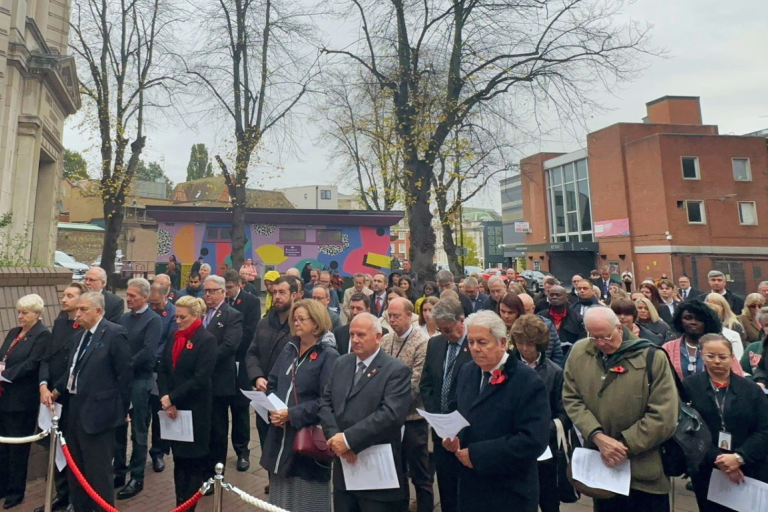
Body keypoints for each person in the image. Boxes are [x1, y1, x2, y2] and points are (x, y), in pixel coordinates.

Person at [563, 307, 678, 512]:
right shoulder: (580, 352)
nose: (601, 343)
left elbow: (664, 415)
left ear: (620, 327)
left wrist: (621, 446)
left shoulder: (652, 357)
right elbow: (572, 399)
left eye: (606, 336)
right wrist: (597, 436)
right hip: (602, 469)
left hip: (644, 472)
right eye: (594, 337)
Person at [442, 311, 550, 512]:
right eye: (471, 342)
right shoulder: (467, 371)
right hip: (471, 488)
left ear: (502, 343)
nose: (475, 349)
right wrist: (452, 435)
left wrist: (477, 454)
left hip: (509, 490)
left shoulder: (527, 380)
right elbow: (458, 409)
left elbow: (533, 440)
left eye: (482, 342)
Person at [318, 313, 412, 512]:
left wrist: (349, 440)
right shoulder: (341, 363)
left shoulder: (396, 370)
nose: (354, 340)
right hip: (344, 468)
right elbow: (325, 403)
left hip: (376, 472)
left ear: (378, 337)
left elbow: (391, 415)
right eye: (352, 334)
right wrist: (337, 439)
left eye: (361, 335)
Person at [51, 292, 132, 512]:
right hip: (75, 411)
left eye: (83, 309)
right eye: (77, 309)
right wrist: (56, 390)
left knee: (98, 474)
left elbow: (124, 377)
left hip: (100, 415)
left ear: (98, 310)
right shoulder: (80, 337)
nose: (78, 314)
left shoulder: (114, 334)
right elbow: (72, 371)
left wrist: (121, 411)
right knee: (77, 471)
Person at [259, 299, 339, 512]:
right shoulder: (290, 348)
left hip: (306, 438)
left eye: (302, 319)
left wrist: (291, 414)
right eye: (295, 319)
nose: (296, 323)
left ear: (316, 323)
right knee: (280, 494)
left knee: (305, 498)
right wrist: (272, 406)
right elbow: (273, 380)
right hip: (280, 435)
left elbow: (326, 400)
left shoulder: (328, 355)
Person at [683, 334, 768, 511]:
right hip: (707, 467)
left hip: (750, 467)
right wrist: (720, 460)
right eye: (710, 356)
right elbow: (686, 428)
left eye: (722, 357)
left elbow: (764, 429)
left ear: (732, 357)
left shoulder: (751, 390)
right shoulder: (689, 387)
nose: (717, 362)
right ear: (701, 356)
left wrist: (739, 457)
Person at [157, 295, 217, 511]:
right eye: (176, 317)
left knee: (192, 465)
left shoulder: (207, 340)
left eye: (182, 317)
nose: (178, 321)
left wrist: (172, 398)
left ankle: (188, 506)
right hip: (173, 410)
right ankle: (179, 503)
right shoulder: (175, 337)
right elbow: (163, 369)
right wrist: (167, 399)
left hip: (195, 410)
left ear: (195, 316)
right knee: (179, 462)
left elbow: (200, 378)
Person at [246, 276, 303, 492]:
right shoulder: (264, 322)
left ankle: (289, 484)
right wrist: (257, 376)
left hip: (289, 398)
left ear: (294, 295)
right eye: (274, 292)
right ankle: (273, 478)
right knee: (266, 440)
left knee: (289, 443)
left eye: (282, 292)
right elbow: (252, 352)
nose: (277, 296)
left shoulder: (298, 326)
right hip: (264, 398)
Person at [508, 314, 570, 512]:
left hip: (544, 449)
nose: (524, 348)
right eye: (519, 343)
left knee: (548, 499)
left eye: (529, 344)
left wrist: (542, 430)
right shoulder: (506, 367)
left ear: (540, 344)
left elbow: (563, 413)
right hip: (513, 444)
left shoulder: (554, 372)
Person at [418, 298, 473, 512]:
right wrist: (436, 417)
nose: (446, 335)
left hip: (467, 431)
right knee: (446, 488)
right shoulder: (436, 343)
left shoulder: (475, 344)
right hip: (441, 432)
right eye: (441, 330)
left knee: (467, 491)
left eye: (448, 330)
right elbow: (427, 383)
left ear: (461, 320)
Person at [36, 284, 88, 512]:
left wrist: (57, 389)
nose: (63, 299)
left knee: (71, 448)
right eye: (64, 295)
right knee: (55, 447)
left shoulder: (84, 328)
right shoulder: (59, 323)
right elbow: (47, 358)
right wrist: (43, 385)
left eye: (70, 295)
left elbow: (75, 365)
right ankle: (61, 493)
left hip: (69, 397)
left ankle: (75, 498)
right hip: (51, 397)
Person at [380, 298, 431, 512]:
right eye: (389, 316)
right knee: (395, 473)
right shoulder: (385, 340)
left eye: (396, 316)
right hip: (390, 419)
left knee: (420, 474)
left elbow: (416, 383)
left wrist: (387, 402)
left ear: (410, 316)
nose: (392, 320)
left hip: (413, 419)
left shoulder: (422, 342)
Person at [0, 295, 50, 509]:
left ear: (37, 314)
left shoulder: (42, 335)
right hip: (4, 397)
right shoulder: (13, 333)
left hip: (21, 401)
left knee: (17, 449)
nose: (20, 316)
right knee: (3, 446)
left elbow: (32, 364)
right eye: (19, 312)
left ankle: (15, 491)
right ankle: (2, 485)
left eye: (25, 312)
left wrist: (6, 374)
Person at [114, 278, 161, 499]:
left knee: (139, 431)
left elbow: (148, 351)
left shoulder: (153, 320)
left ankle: (137, 476)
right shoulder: (124, 318)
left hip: (141, 381)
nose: (128, 298)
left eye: (132, 295)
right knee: (118, 427)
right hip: (122, 381)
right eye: (128, 295)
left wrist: (127, 364)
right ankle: (118, 471)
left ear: (144, 296)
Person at [201, 275, 244, 481]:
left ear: (222, 292)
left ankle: (216, 474)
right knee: (204, 428)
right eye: (205, 291)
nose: (207, 295)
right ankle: (202, 469)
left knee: (218, 430)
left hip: (219, 381)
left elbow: (229, 346)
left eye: (211, 291)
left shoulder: (232, 315)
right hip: (200, 382)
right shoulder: (200, 313)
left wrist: (202, 362)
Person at [223, 270, 261, 472]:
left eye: (230, 287)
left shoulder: (251, 302)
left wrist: (230, 345)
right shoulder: (221, 303)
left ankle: (242, 451)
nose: (227, 291)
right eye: (225, 287)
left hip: (240, 361)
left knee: (240, 409)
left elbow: (250, 331)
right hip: (222, 365)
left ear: (240, 285)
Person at [663, 301, 743, 380]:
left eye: (699, 319)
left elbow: (737, 377)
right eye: (688, 318)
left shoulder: (721, 347)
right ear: (680, 320)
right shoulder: (668, 348)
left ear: (707, 322)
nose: (693, 322)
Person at [147, 282, 176, 473]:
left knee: (158, 413)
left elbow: (169, 341)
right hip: (143, 369)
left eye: (157, 304)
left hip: (159, 369)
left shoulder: (173, 314)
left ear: (167, 296)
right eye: (152, 303)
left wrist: (151, 355)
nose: (154, 307)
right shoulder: (146, 311)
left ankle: (158, 452)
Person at [517, 293, 565, 366]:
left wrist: (549, 372)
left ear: (533, 308)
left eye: (526, 310)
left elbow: (557, 354)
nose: (523, 314)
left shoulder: (546, 325)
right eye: (520, 310)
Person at [539, 285, 587, 357]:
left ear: (566, 297)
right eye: (552, 295)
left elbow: (581, 343)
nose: (554, 297)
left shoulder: (578, 319)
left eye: (558, 295)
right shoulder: (540, 318)